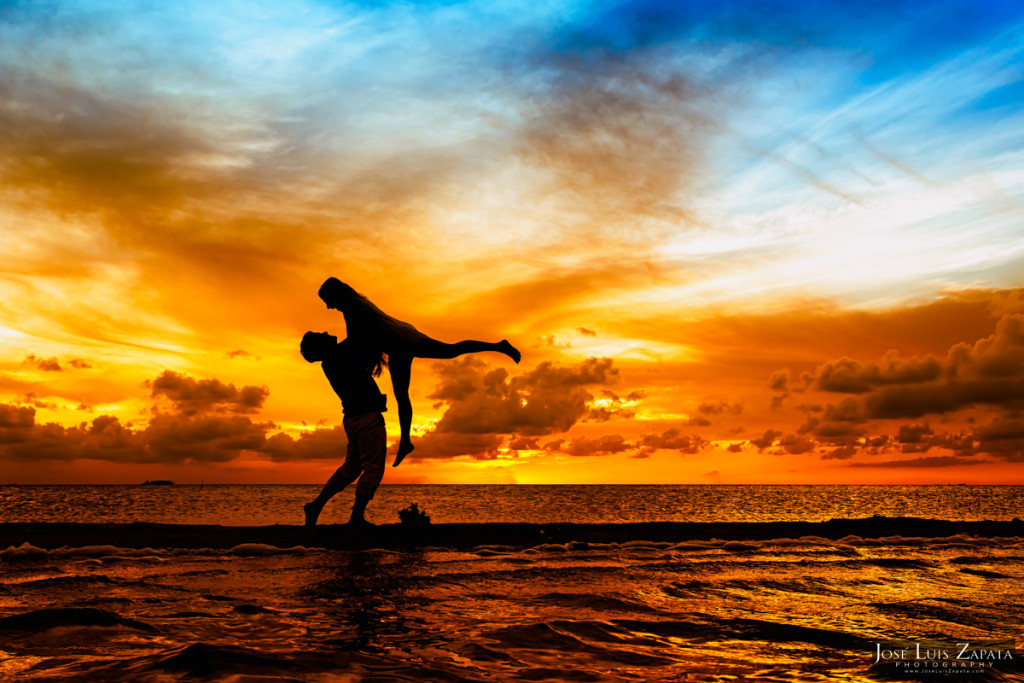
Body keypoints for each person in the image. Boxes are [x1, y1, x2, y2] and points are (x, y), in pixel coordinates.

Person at [318, 277, 520, 467]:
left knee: (450, 350)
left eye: (327, 300)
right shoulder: (352, 305)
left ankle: (499, 346)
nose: (328, 306)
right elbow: (361, 339)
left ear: (335, 294)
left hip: (404, 339)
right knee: (401, 396)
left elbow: (354, 340)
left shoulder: (352, 306)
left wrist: (331, 352)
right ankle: (406, 441)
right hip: (396, 347)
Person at [299, 331, 388, 527]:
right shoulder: (341, 354)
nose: (326, 332)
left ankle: (316, 506)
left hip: (352, 419)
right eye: (320, 335)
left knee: (352, 468)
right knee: (373, 468)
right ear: (322, 346)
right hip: (366, 419)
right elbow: (358, 331)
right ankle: (356, 517)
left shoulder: (332, 361)